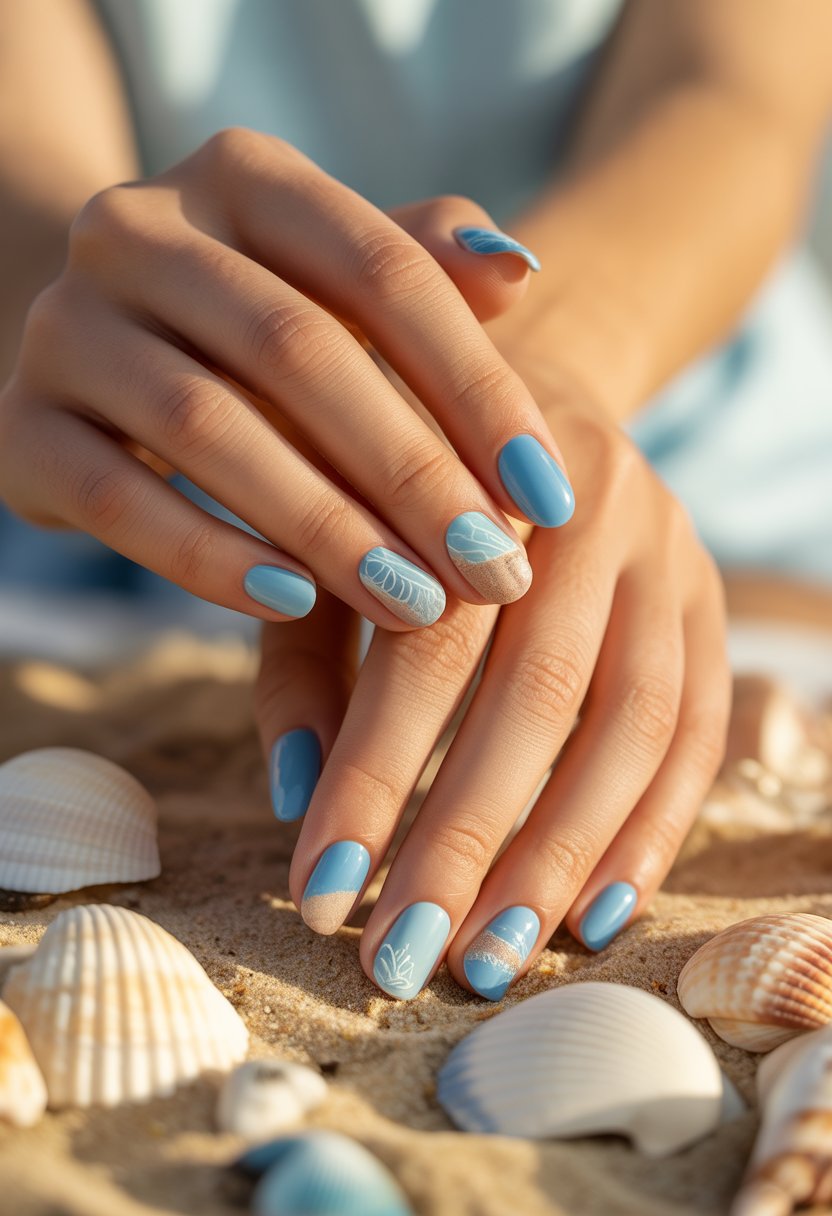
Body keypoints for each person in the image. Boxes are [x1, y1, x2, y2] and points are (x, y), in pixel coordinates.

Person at [1, 0, 831, 1002]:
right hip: (173, 519)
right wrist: (74, 317)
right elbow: (25, 163)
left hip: (696, 463)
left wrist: (524, 386)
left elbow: (733, 97)